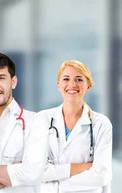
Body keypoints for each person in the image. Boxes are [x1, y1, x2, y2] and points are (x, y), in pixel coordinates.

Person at [0, 53, 49, 192]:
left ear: (13, 82)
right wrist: (13, 175)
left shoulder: (35, 122)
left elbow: (32, 174)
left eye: (1, 78)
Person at [40, 60, 112, 192]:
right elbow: (35, 171)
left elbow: (101, 176)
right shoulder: (42, 120)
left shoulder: (101, 124)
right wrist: (85, 167)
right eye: (66, 79)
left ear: (88, 86)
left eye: (79, 79)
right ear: (59, 85)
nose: (72, 84)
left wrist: (54, 184)